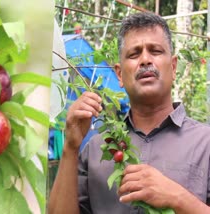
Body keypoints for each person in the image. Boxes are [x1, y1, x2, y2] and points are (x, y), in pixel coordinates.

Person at [48, 12, 210, 214]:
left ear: (174, 66)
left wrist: (178, 198)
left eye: (156, 51)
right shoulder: (96, 149)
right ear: (119, 74)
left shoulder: (206, 143)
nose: (145, 60)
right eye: (134, 54)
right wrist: (70, 148)